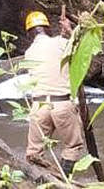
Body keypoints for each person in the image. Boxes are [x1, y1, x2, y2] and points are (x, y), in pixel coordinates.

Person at [22, 10, 86, 176]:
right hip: (61, 103)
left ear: (29, 33)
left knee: (34, 152)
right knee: (72, 146)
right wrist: (69, 30)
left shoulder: (29, 53)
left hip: (39, 106)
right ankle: (65, 181)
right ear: (47, 29)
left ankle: (34, 183)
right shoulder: (61, 42)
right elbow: (80, 50)